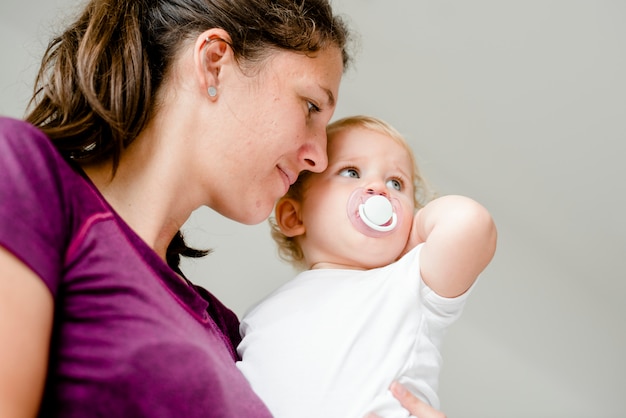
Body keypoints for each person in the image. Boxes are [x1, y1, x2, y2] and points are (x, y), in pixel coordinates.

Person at [0, 0, 351, 416]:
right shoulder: (23, 173)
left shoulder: (227, 331)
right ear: (214, 62)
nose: (320, 158)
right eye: (311, 107)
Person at [236, 115, 498, 418]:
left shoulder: (410, 280)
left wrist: (410, 239)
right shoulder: (259, 316)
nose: (378, 188)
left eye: (396, 183)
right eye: (351, 171)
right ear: (294, 217)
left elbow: (470, 223)